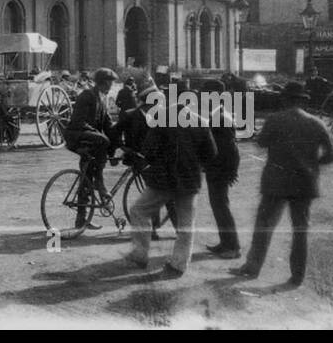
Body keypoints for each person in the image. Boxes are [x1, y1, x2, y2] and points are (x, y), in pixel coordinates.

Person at [232, 80, 333, 286]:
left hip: (276, 182)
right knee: (300, 231)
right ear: (303, 101)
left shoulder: (275, 119)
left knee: (264, 225)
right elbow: (330, 155)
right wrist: (311, 165)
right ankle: (297, 276)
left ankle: (252, 267)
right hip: (305, 184)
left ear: (285, 99)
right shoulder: (317, 123)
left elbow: (261, 143)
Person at [126, 88, 218, 278]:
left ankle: (140, 253)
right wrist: (196, 164)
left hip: (163, 180)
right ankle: (179, 264)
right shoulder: (201, 122)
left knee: (139, 211)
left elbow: (148, 150)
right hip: (189, 180)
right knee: (186, 223)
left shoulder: (162, 118)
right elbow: (211, 153)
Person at [64, 68, 118, 229]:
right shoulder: (87, 95)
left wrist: (121, 143)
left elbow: (109, 126)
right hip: (77, 135)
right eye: (108, 83)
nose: (110, 86)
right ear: (101, 82)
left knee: (86, 177)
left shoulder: (102, 98)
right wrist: (98, 134)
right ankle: (100, 184)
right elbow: (78, 121)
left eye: (111, 83)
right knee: (103, 140)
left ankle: (81, 219)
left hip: (90, 139)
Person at [203, 90, 241, 258]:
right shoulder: (217, 114)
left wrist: (232, 171)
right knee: (218, 207)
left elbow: (231, 148)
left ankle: (233, 247)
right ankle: (225, 243)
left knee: (221, 208)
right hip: (216, 169)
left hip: (220, 170)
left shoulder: (221, 117)